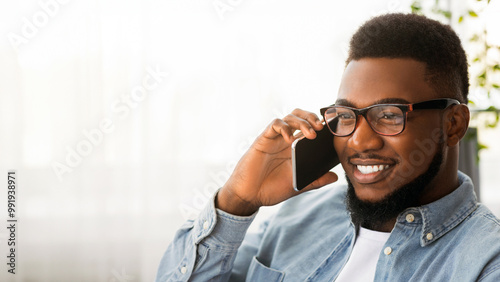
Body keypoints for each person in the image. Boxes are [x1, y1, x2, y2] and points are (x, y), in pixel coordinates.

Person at [155, 13, 500, 281]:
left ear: (454, 123)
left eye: (390, 115)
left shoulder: (486, 261)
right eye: (347, 115)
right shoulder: (297, 218)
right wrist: (237, 203)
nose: (359, 141)